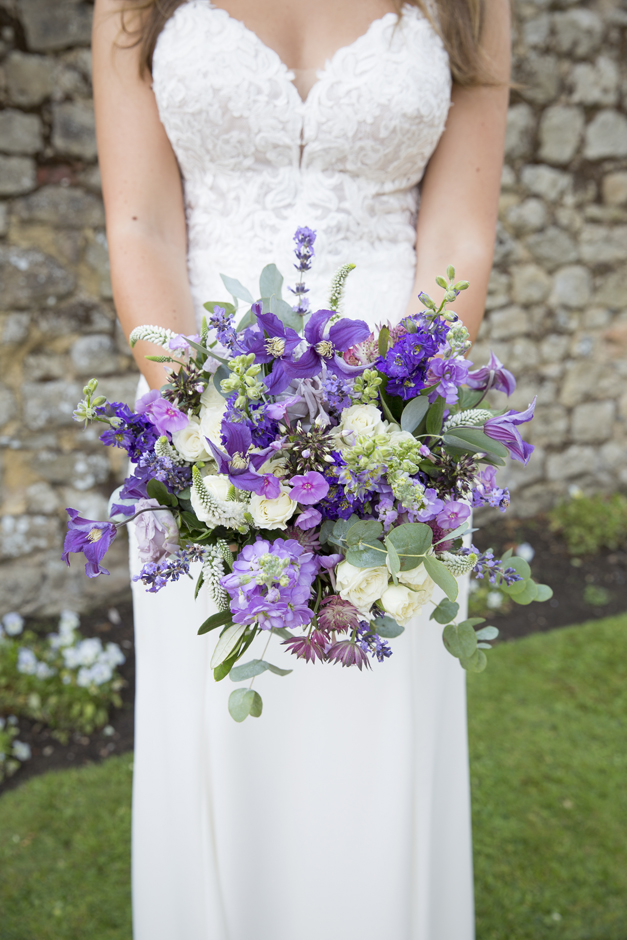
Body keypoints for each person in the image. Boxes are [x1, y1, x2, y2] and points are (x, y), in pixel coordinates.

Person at [92, 1, 510, 937]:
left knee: (377, 730)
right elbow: (140, 229)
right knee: (221, 739)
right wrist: (217, 429)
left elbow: (458, 242)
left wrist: (385, 433)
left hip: (402, 427)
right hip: (198, 416)